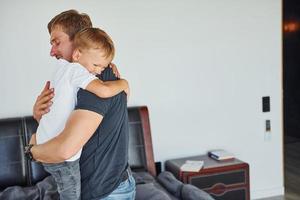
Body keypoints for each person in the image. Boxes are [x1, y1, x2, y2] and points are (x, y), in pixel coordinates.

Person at [27, 10, 136, 200]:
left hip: (105, 192)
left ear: (78, 41)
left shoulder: (98, 80)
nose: (52, 52)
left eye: (57, 42)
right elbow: (61, 127)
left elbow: (64, 149)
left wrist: (31, 151)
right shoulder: (73, 77)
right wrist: (39, 115)